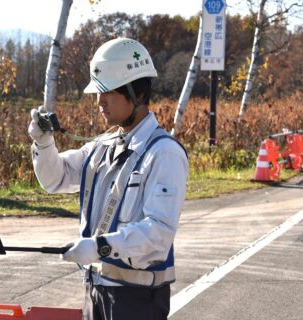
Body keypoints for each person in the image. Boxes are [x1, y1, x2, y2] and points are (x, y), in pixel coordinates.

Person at [28, 38, 188, 320]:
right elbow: (56, 179)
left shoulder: (164, 153)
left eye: (108, 92)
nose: (99, 102)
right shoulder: (102, 146)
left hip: (137, 302)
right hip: (95, 292)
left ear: (137, 94)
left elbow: (159, 234)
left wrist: (100, 246)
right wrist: (44, 144)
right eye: (98, 93)